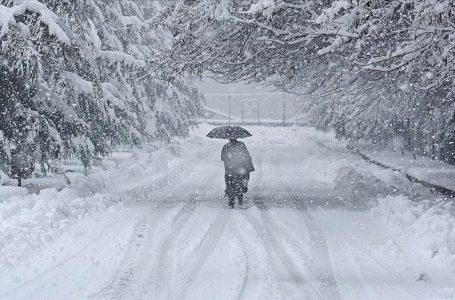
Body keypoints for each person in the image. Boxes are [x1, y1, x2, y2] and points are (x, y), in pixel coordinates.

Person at [221, 139, 254, 208]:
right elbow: (247, 156)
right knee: (240, 183)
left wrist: (229, 159)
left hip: (230, 169)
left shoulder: (226, 146)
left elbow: (222, 158)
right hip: (240, 169)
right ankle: (240, 198)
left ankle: (231, 200)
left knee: (229, 184)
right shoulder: (241, 145)